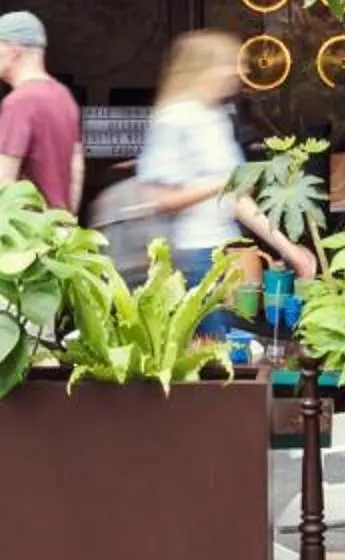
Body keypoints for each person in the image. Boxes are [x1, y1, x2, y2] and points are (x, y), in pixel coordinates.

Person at [133, 31, 315, 337]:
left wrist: (289, 249)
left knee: (228, 350)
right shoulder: (175, 119)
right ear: (203, 69)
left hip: (225, 254)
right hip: (192, 256)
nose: (237, 72)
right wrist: (218, 185)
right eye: (228, 64)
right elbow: (158, 198)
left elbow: (237, 196)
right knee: (214, 358)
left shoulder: (215, 118)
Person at [0, 10, 81, 213]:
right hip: (61, 232)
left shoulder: (18, 103)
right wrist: (68, 219)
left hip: (29, 234)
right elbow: (77, 168)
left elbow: (4, 180)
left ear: (14, 50)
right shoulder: (64, 96)